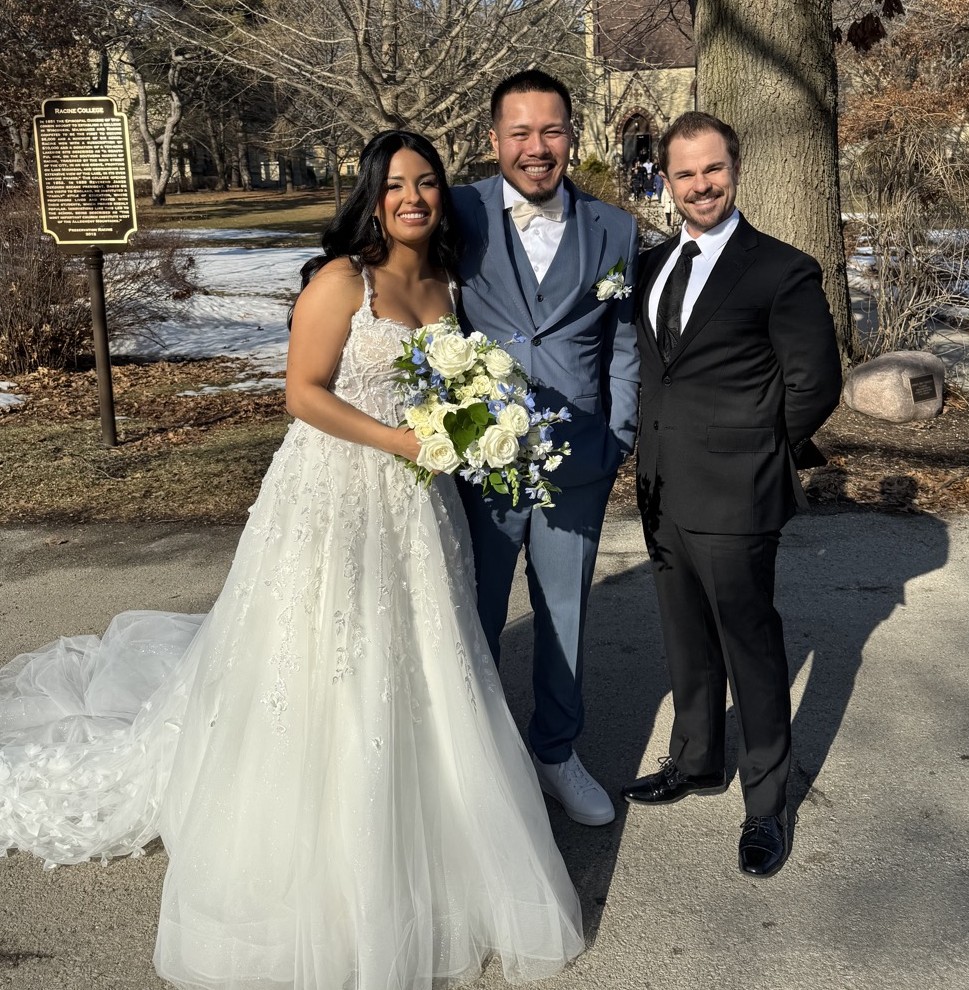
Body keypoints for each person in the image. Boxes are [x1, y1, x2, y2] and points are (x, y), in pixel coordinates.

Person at [0, 130, 584, 989]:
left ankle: (427, 835)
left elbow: (454, 389)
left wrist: (471, 431)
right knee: (323, 659)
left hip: (417, 510)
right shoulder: (341, 280)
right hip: (332, 496)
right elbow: (302, 395)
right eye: (396, 185)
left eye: (426, 183)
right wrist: (398, 439)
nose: (413, 198)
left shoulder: (445, 284)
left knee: (422, 660)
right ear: (371, 196)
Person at [621, 111, 842, 877]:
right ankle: (698, 759)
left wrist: (750, 450)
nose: (700, 184)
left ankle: (766, 803)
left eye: (712, 169)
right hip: (661, 488)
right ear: (668, 181)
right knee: (684, 634)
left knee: (751, 648)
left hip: (737, 491)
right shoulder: (651, 265)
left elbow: (815, 385)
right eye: (685, 174)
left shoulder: (781, 269)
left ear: (735, 168)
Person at [451, 71, 640, 829]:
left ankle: (557, 752)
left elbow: (623, 342)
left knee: (565, 612)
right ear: (494, 138)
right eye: (520, 133)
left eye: (552, 130)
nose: (537, 148)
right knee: (477, 613)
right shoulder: (455, 211)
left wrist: (617, 436)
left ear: (573, 135)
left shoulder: (615, 229)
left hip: (579, 457)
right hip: (479, 458)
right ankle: (482, 762)